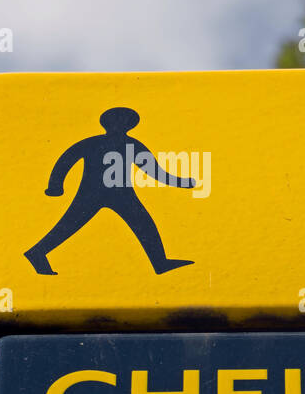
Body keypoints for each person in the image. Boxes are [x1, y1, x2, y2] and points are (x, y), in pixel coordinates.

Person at [25, 107, 196, 275]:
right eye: (118, 121)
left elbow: (153, 170)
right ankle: (37, 252)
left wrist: (181, 182)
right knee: (68, 226)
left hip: (119, 194)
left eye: (125, 122)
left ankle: (160, 263)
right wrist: (55, 187)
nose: (121, 125)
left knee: (145, 225)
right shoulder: (102, 143)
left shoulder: (128, 145)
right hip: (94, 193)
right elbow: (67, 159)